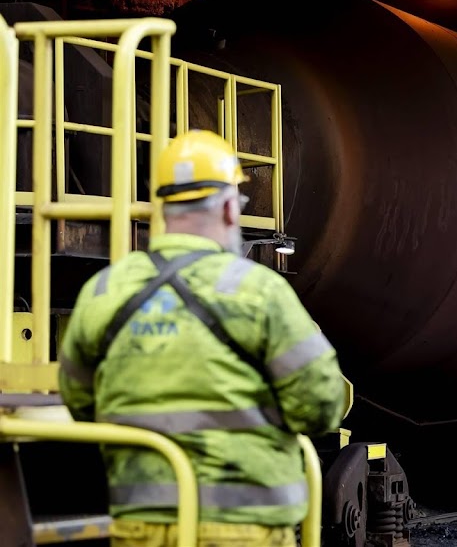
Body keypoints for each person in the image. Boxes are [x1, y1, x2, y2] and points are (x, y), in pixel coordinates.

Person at [58, 129, 351, 547]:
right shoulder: (259, 293)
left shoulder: (105, 292)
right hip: (243, 531)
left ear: (161, 207)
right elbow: (322, 406)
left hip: (140, 529)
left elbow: (79, 400)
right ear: (231, 209)